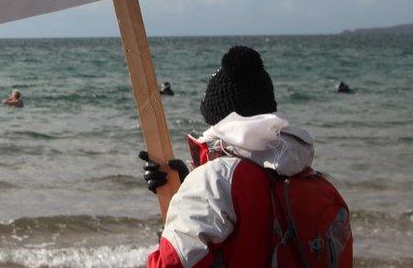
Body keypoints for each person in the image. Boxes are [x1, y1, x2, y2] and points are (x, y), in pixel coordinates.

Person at [141, 46, 352, 267]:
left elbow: (172, 262)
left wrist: (192, 193)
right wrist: (182, 189)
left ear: (219, 121)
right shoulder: (297, 172)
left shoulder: (216, 180)